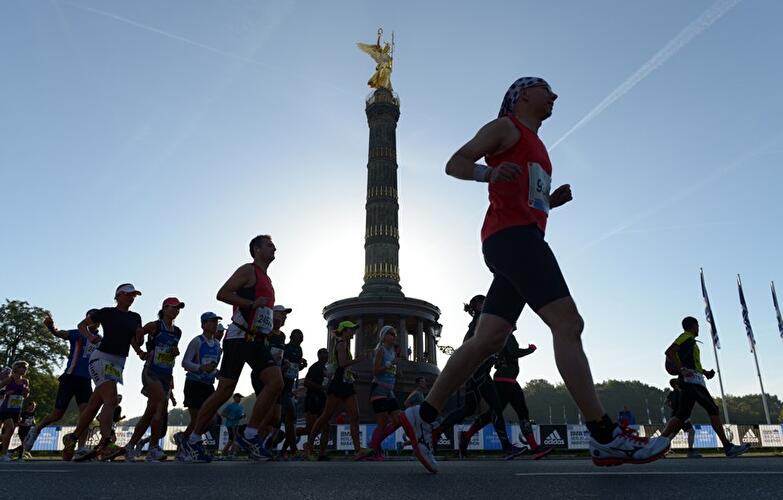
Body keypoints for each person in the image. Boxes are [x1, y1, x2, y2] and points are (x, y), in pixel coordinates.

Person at [401, 77, 670, 473]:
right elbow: (453, 163)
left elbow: (527, 199)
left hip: (514, 238)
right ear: (523, 94)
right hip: (514, 240)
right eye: (547, 89)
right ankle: (603, 434)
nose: (555, 96)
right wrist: (486, 175)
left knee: (488, 340)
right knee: (568, 322)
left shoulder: (539, 146)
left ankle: (421, 417)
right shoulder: (504, 127)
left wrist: (550, 202)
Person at [182, 235, 282, 462]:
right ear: (256, 250)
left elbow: (262, 311)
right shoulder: (249, 270)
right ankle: (193, 440)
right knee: (225, 390)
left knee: (276, 383)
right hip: (238, 337)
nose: (275, 248)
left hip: (257, 339)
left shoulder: (267, 278)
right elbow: (223, 293)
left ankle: (249, 434)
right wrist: (249, 304)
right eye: (269, 244)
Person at [432, 296, 523, 461]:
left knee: (467, 409)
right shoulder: (479, 322)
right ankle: (507, 447)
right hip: (478, 373)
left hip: (477, 372)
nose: (487, 304)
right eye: (483, 302)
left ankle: (438, 432)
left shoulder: (478, 323)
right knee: (495, 408)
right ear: (477, 306)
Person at [62, 283, 145, 462]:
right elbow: (81, 325)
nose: (132, 298)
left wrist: (140, 345)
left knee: (94, 405)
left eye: (134, 296)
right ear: (118, 296)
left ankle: (72, 438)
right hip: (101, 358)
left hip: (119, 362)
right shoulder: (107, 312)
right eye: (128, 295)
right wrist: (90, 336)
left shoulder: (135, 317)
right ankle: (106, 443)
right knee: (111, 399)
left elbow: (134, 338)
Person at [661, 317, 749, 457]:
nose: (699, 329)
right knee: (712, 409)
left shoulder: (690, 341)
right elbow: (669, 352)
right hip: (692, 382)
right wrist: (682, 369)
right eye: (698, 326)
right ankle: (728, 447)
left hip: (691, 380)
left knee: (681, 415)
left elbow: (693, 364)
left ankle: (656, 445)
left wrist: (705, 372)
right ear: (693, 326)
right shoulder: (686, 337)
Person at [24, 311, 101, 457]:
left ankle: (81, 448)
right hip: (70, 378)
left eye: (96, 320)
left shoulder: (100, 340)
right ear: (86, 320)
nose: (93, 322)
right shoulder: (77, 334)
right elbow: (58, 333)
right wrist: (51, 327)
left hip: (85, 381)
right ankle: (36, 430)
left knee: (86, 415)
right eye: (90, 319)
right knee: (57, 414)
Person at [468, 333, 553, 459]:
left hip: (509, 380)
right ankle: (467, 436)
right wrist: (530, 350)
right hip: (504, 381)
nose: (515, 322)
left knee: (519, 412)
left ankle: (535, 448)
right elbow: (513, 352)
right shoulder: (507, 335)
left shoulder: (503, 334)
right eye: (514, 320)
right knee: (499, 414)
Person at [125, 297, 184, 462]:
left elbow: (173, 349)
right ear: (164, 309)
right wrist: (139, 352)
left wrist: (174, 351)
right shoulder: (155, 325)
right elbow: (134, 337)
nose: (176, 310)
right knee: (161, 404)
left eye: (178, 308)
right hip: (151, 372)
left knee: (150, 412)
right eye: (173, 307)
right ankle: (152, 448)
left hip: (166, 373)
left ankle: (130, 446)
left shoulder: (177, 331)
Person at [306, 321, 366, 460]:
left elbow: (343, 367)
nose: (353, 332)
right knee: (326, 416)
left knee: (355, 415)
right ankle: (309, 445)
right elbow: (342, 364)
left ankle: (358, 449)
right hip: (339, 385)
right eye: (351, 330)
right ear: (344, 330)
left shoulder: (343, 344)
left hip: (346, 383)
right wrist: (358, 360)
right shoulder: (341, 344)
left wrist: (352, 373)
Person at [178, 312, 223, 460]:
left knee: (213, 420)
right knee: (198, 419)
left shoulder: (217, 345)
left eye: (216, 322)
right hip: (194, 384)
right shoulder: (197, 341)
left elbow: (213, 366)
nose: (215, 324)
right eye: (211, 322)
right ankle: (188, 446)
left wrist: (218, 373)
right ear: (203, 325)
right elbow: (185, 363)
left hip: (209, 386)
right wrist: (201, 368)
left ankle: (186, 442)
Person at [357, 326, 404, 461]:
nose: (395, 336)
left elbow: (392, 369)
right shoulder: (380, 350)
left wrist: (397, 371)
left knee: (398, 421)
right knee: (382, 424)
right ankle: (374, 450)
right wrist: (390, 365)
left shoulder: (393, 352)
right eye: (392, 334)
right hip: (379, 389)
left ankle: (373, 445)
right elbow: (376, 371)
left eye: (395, 334)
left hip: (390, 390)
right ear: (384, 336)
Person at [277, 328, 308, 456]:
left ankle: (285, 451)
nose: (300, 338)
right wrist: (284, 367)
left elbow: (295, 368)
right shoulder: (285, 348)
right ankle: (291, 450)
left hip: (289, 387)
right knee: (288, 417)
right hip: (280, 386)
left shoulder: (299, 350)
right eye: (297, 336)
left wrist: (302, 365)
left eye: (301, 337)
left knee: (288, 418)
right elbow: (279, 365)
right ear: (291, 337)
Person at [0, 361, 31, 462]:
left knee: (10, 432)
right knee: (10, 428)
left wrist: (26, 393)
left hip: (17, 409)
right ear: (16, 368)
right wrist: (5, 392)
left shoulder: (25, 381)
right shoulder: (11, 378)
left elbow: (26, 396)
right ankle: (4, 454)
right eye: (22, 368)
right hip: (6, 408)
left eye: (26, 368)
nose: (24, 370)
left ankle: (4, 454)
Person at [666, 378, 699, 458]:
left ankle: (661, 450)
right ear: (677, 384)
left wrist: (672, 407)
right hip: (682, 416)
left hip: (674, 415)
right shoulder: (681, 392)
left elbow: (666, 402)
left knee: (672, 435)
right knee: (691, 431)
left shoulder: (671, 393)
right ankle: (690, 451)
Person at [302, 349, 329, 443]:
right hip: (312, 399)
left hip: (322, 400)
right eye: (324, 354)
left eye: (327, 354)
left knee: (323, 426)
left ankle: (319, 451)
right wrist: (321, 388)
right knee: (311, 428)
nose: (326, 356)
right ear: (319, 355)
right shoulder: (315, 367)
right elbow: (306, 382)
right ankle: (308, 448)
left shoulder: (325, 369)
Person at [220, 394, 245, 458]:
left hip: (237, 425)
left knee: (232, 440)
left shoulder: (241, 407)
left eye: (240, 398)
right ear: (234, 398)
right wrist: (230, 417)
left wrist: (242, 416)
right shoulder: (230, 406)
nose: (240, 399)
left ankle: (225, 454)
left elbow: (239, 416)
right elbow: (222, 413)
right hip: (230, 425)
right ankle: (229, 454)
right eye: (239, 397)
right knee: (233, 439)